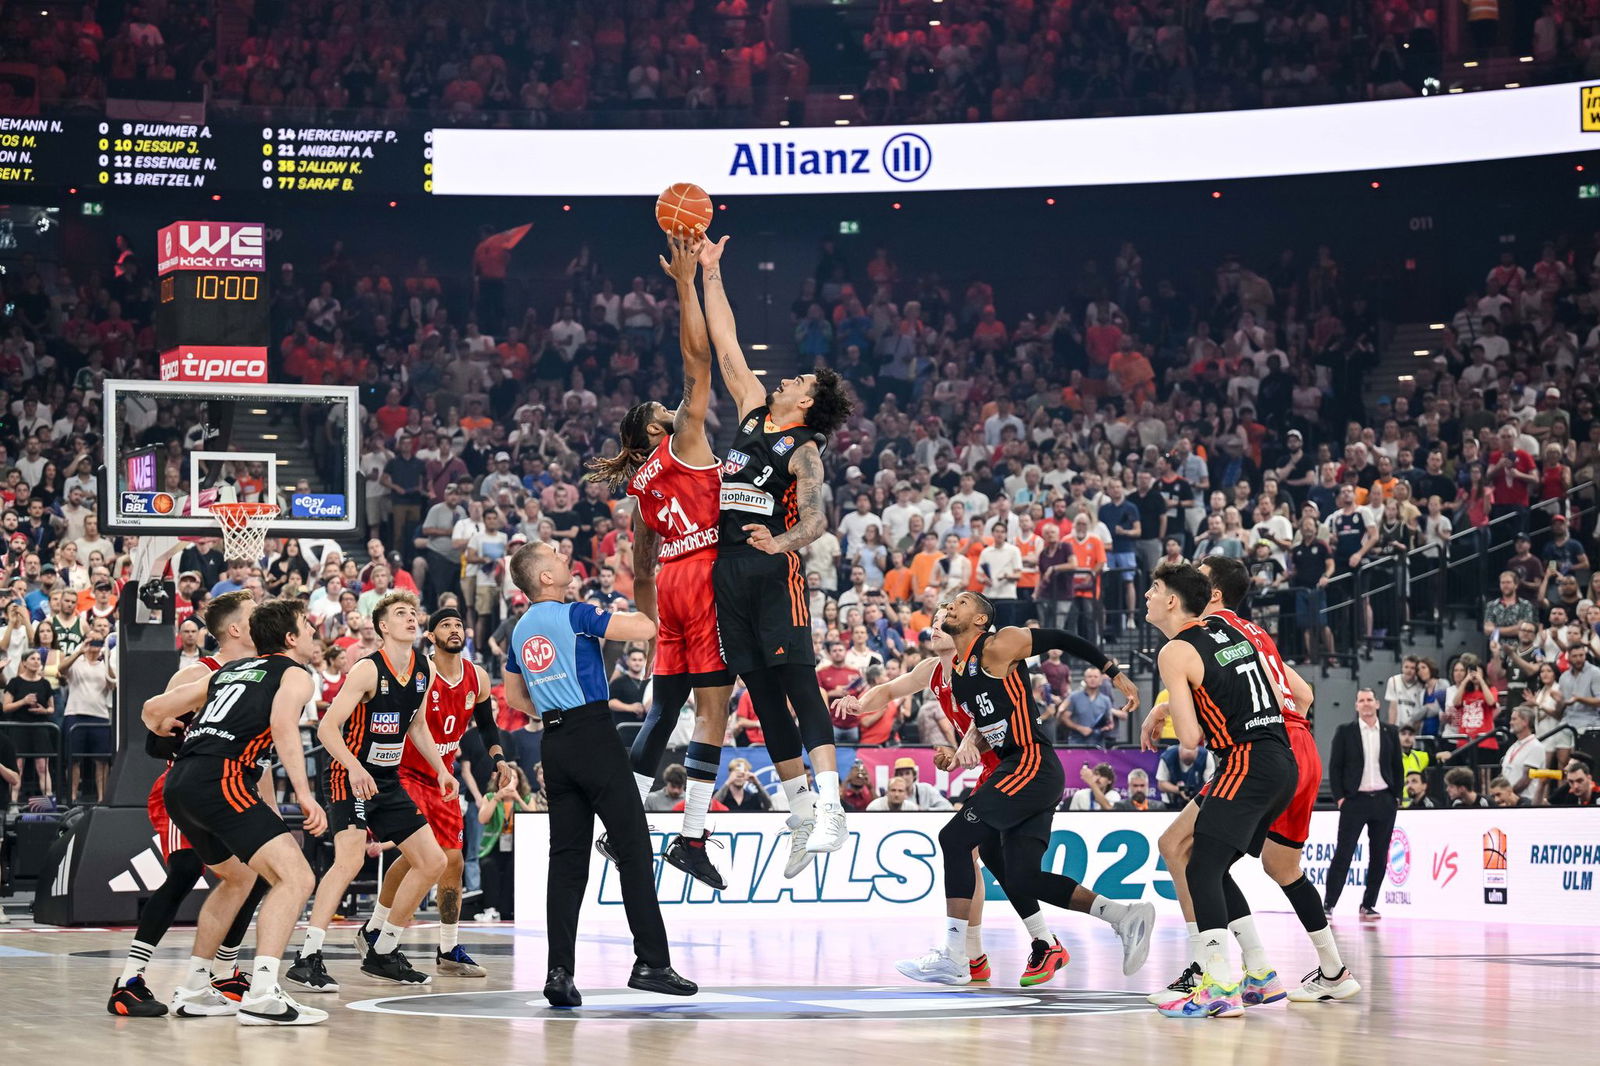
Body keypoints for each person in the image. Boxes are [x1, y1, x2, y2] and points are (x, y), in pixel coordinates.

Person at [892, 591, 1154, 987]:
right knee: (1020, 876)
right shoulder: (961, 676)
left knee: (954, 838)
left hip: (1030, 762)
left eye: (961, 603)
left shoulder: (1000, 644)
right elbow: (992, 728)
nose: (950, 608)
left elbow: (1064, 639)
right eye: (948, 605)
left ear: (980, 620)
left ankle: (953, 954)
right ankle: (1123, 916)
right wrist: (961, 749)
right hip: (1025, 769)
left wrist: (1114, 672)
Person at [700, 234, 854, 871]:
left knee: (797, 684)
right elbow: (726, 342)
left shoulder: (805, 450)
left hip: (772, 569)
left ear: (808, 403)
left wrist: (779, 540)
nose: (788, 375)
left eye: (800, 379)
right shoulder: (752, 411)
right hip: (727, 569)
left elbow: (818, 518)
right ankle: (797, 811)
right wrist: (711, 271)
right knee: (761, 696)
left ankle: (832, 806)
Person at [1143, 556, 1357, 1007]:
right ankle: (1314, 970)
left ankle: (1214, 973)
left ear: (1208, 594)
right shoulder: (1249, 630)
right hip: (1296, 744)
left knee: (1188, 853)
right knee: (1278, 867)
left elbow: (1192, 732)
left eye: (1197, 578)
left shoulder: (1193, 641)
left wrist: (1173, 706)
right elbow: (1303, 695)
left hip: (1253, 748)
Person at [588, 235, 733, 890]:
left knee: (661, 712)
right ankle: (691, 837)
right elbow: (697, 359)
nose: (676, 408)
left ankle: (615, 833)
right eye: (664, 411)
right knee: (711, 713)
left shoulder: (641, 486)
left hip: (668, 588)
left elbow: (642, 571)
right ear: (657, 428)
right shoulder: (686, 442)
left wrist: (650, 630)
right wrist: (686, 283)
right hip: (703, 574)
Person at [500, 540, 695, 1007]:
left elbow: (513, 697)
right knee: (632, 847)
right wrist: (642, 579)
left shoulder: (520, 631)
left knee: (566, 863)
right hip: (594, 734)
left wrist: (552, 707)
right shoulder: (576, 614)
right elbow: (646, 626)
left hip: (555, 743)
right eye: (556, 557)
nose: (565, 560)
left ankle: (559, 973)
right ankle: (651, 962)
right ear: (544, 577)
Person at [137, 598, 330, 1025]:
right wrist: (303, 793)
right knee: (296, 877)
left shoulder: (229, 670)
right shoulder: (296, 674)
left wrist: (169, 729)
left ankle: (193, 989)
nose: (315, 631)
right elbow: (282, 727)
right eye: (307, 625)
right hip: (223, 778)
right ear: (290, 638)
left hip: (181, 783)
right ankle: (263, 993)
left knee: (239, 877)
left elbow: (152, 710)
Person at [107, 592, 270, 1017]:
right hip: (189, 785)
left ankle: (226, 971)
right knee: (182, 874)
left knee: (260, 873)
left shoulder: (261, 674)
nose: (264, 619)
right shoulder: (198, 674)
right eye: (255, 615)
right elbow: (153, 738)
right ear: (236, 629)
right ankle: (128, 981)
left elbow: (262, 757)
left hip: (235, 786)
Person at [289, 591, 457, 992]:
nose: (412, 619)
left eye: (415, 613)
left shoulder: (424, 670)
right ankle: (307, 955)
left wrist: (441, 770)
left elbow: (417, 726)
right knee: (347, 861)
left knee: (433, 861)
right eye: (401, 614)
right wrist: (354, 766)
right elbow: (327, 728)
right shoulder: (367, 670)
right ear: (383, 626)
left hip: (386, 779)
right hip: (348, 773)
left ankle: (383, 950)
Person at [352, 608, 511, 977]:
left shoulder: (478, 676)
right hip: (405, 771)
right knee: (418, 856)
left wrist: (499, 760)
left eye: (458, 624)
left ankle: (448, 948)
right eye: (445, 625)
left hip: (444, 778)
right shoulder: (418, 669)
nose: (454, 630)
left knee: (451, 861)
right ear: (431, 636)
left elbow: (487, 726)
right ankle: (378, 929)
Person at [1323, 689, 1403, 918]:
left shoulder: (1390, 731)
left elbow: (1398, 766)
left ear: (1377, 703)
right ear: (1356, 705)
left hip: (1384, 800)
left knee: (1379, 856)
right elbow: (1335, 767)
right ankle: (1328, 904)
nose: (1366, 704)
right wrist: (1340, 798)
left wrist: (1396, 796)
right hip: (1354, 801)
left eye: (1369, 700)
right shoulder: (1345, 732)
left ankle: (1368, 904)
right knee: (1344, 853)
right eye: (1361, 700)